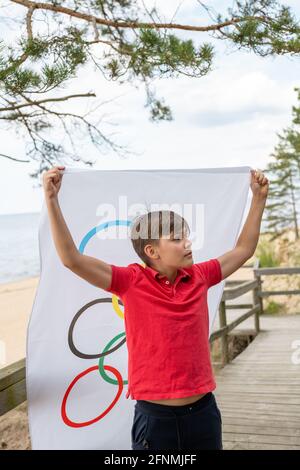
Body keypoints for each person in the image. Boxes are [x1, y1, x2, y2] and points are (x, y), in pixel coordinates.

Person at [42, 166, 269, 450]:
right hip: (155, 419)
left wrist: (258, 198)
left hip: (203, 413)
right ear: (152, 251)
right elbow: (71, 259)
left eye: (186, 236)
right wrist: (51, 199)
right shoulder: (130, 281)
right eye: (176, 239)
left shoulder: (200, 275)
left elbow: (243, 250)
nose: (187, 243)